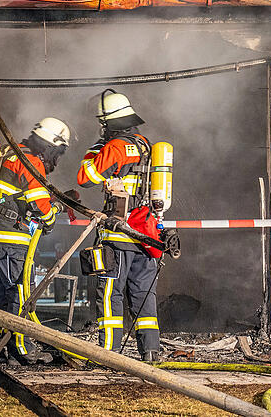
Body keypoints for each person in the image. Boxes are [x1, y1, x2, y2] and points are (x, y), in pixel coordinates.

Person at [0, 117, 70, 365]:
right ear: (50, 144)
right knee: (19, 291)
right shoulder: (30, 160)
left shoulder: (9, 152)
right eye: (57, 152)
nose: (56, 160)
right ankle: (20, 348)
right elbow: (39, 203)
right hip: (9, 240)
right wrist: (51, 216)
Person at [77, 90, 161, 361]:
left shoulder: (114, 147)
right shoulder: (145, 144)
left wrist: (94, 152)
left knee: (111, 292)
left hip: (118, 232)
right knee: (143, 295)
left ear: (107, 123)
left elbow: (84, 178)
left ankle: (109, 354)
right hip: (146, 233)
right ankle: (150, 351)